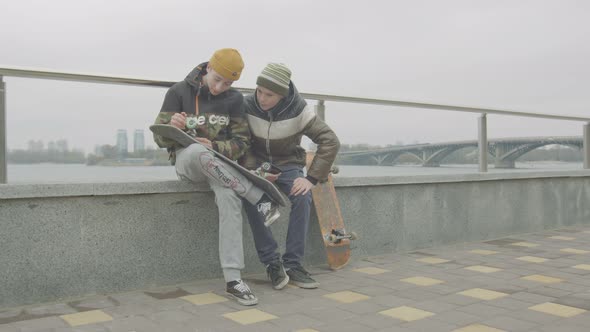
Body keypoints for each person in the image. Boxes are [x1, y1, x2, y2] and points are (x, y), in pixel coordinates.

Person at [152, 49, 280, 306]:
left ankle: (233, 280)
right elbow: (159, 137)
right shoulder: (178, 92)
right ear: (209, 67)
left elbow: (241, 143)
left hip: (222, 170)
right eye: (218, 79)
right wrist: (174, 126)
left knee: (230, 196)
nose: (221, 87)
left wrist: (215, 146)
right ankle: (259, 198)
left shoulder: (234, 101)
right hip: (188, 164)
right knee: (198, 150)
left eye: (229, 83)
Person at [241, 63, 340, 290]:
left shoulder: (299, 109)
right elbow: (240, 142)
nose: (262, 98)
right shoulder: (246, 104)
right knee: (250, 197)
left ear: (283, 95)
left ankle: (294, 265)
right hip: (256, 165)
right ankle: (272, 264)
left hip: (288, 164)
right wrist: (255, 170)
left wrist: (311, 178)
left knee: (302, 197)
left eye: (269, 94)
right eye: (259, 91)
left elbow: (330, 141)